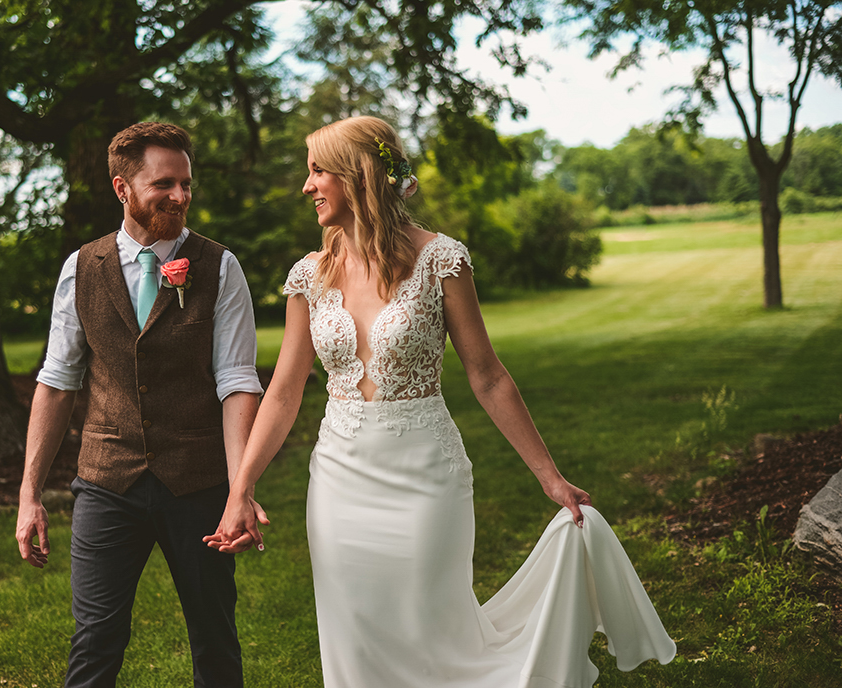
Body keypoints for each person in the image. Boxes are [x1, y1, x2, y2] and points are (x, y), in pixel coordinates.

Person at [205, 116, 676, 687]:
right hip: (338, 481)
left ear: (358, 176)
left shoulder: (441, 260)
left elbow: (488, 376)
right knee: (353, 632)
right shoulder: (310, 275)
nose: (307, 186)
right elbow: (282, 391)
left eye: (317, 171)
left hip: (426, 476)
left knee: (430, 632)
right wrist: (242, 489)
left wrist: (549, 476)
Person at [16, 122, 264, 688]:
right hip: (107, 482)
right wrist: (30, 494)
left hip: (198, 484)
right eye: (164, 185)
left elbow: (237, 381)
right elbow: (57, 381)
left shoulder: (220, 266)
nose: (179, 197)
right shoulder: (81, 268)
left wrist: (239, 488)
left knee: (214, 636)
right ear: (122, 188)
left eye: (186, 184)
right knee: (96, 638)